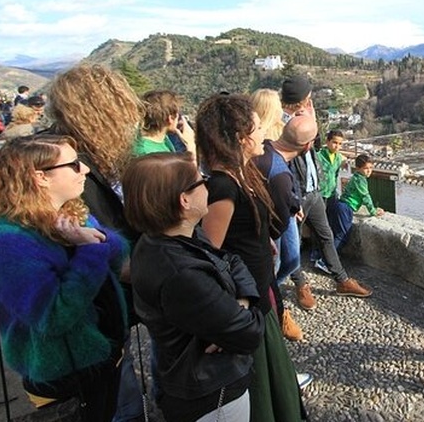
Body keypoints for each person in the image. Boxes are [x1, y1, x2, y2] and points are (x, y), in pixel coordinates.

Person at [0, 135, 129, 421]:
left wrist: (97, 239)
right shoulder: (6, 244)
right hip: (67, 379)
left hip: (102, 359)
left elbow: (117, 256)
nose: (86, 170)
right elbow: (52, 316)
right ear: (41, 177)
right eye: (75, 164)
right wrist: (90, 250)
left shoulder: (69, 213)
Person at [123, 152, 264, 422]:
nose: (209, 187)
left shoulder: (173, 236)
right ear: (184, 200)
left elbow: (230, 258)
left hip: (194, 382)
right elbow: (249, 333)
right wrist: (240, 317)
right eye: (202, 182)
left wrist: (242, 302)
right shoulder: (182, 273)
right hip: (211, 393)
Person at [195, 93, 307, 421]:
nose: (264, 134)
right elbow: (210, 256)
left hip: (259, 288)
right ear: (243, 139)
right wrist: (229, 314)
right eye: (258, 128)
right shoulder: (223, 188)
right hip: (247, 301)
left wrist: (260, 242)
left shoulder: (241, 174)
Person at [46, 63, 145, 422]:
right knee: (116, 393)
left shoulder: (90, 151)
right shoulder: (62, 162)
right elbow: (84, 234)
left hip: (110, 288)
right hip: (96, 298)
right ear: (101, 109)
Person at [280, 75, 373, 298]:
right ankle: (300, 284)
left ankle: (341, 280)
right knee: (292, 243)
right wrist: (293, 198)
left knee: (326, 235)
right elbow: (284, 165)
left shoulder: (307, 122)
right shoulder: (284, 126)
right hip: (298, 195)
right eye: (308, 99)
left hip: (315, 191)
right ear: (300, 101)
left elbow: (313, 152)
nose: (311, 102)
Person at [256, 114, 321, 341]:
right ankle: (275, 312)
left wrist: (292, 203)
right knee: (274, 267)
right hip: (269, 230)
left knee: (292, 259)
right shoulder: (279, 175)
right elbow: (279, 224)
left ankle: (275, 297)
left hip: (282, 208)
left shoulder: (266, 149)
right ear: (307, 146)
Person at [327, 154, 384, 253]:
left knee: (335, 233)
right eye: (366, 168)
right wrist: (373, 211)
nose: (369, 171)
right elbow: (365, 196)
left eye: (371, 168)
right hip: (346, 207)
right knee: (342, 236)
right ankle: (326, 260)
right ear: (358, 168)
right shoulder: (360, 179)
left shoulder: (356, 177)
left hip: (341, 205)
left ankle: (321, 257)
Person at [135, 89, 195, 156]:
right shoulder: (150, 154)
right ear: (170, 118)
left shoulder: (139, 142)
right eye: (178, 115)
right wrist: (190, 144)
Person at [317, 129, 345, 203]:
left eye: (340, 144)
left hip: (331, 194)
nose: (337, 146)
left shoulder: (338, 158)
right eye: (335, 142)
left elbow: (335, 175)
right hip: (320, 194)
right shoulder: (318, 156)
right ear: (327, 142)